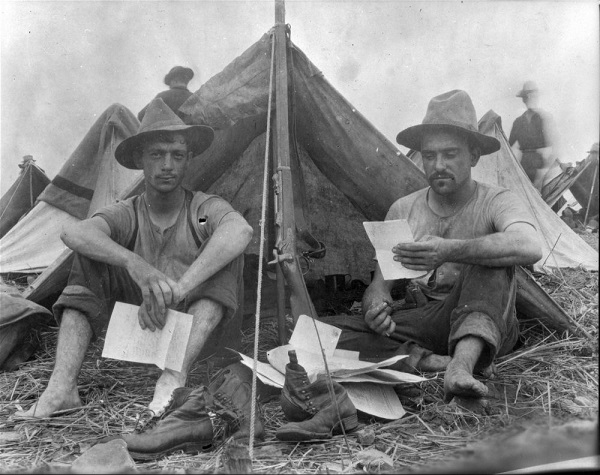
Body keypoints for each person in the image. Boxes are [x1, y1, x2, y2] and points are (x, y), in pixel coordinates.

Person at [15, 98, 253, 419]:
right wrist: (135, 265)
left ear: (188, 161)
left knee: (225, 257)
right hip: (143, 333)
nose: (167, 165)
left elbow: (240, 231)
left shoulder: (202, 207)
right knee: (89, 258)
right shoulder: (128, 212)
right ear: (141, 160)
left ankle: (172, 378)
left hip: (200, 340)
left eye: (177, 155)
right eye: (157, 154)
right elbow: (75, 234)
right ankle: (61, 388)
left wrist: (180, 289)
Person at [323, 90, 542, 402]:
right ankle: (429, 360)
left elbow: (530, 245)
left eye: (450, 154)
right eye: (429, 156)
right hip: (429, 320)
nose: (438, 165)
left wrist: (450, 250)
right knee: (318, 334)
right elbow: (379, 284)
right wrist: (376, 306)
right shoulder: (403, 209)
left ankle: (462, 367)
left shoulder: (498, 200)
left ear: (474, 156)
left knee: (489, 262)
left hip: (489, 322)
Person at [508, 81, 560, 191]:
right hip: (524, 166)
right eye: (527, 97)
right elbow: (508, 147)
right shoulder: (518, 122)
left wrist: (543, 171)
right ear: (525, 98)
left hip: (543, 166)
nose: (530, 99)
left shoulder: (545, 118)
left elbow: (555, 147)